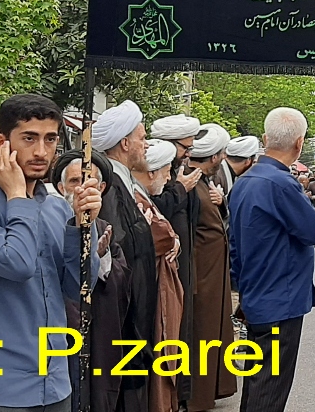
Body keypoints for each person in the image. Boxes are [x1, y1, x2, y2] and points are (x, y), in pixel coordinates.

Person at [0, 94, 100, 412]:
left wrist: (84, 226)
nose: (41, 151)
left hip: (54, 384)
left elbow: (79, 288)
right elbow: (17, 264)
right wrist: (16, 195)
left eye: (50, 139)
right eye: (29, 138)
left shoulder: (56, 207)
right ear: (2, 143)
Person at [229, 107, 315, 412]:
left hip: (255, 292)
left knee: (258, 382)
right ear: (299, 143)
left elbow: (234, 244)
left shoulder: (244, 181)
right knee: (270, 388)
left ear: (265, 139)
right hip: (280, 297)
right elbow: (314, 230)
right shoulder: (281, 183)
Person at [95, 100, 159, 412]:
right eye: (142, 138)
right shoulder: (110, 187)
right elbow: (116, 249)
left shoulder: (124, 181)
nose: (146, 145)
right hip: (124, 318)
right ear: (124, 143)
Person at [51, 149, 126, 412]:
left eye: (87, 182)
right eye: (74, 181)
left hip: (97, 330)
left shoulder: (103, 226)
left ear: (101, 188)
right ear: (61, 187)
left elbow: (122, 277)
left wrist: (101, 259)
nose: (81, 189)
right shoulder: (49, 223)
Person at [150, 114, 202, 407]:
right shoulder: (158, 176)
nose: (188, 154)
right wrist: (180, 189)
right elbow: (156, 211)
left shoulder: (182, 173)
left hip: (184, 266)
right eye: (185, 148)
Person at [187, 123, 239, 410]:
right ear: (215, 156)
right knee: (202, 332)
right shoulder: (190, 184)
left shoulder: (204, 182)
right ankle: (198, 395)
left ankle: (213, 389)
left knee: (214, 331)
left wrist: (221, 204)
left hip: (213, 272)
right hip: (202, 275)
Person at [136, 140, 186, 412]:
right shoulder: (137, 198)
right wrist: (172, 239)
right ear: (152, 172)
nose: (168, 179)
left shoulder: (144, 197)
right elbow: (161, 236)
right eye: (166, 172)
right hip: (154, 293)